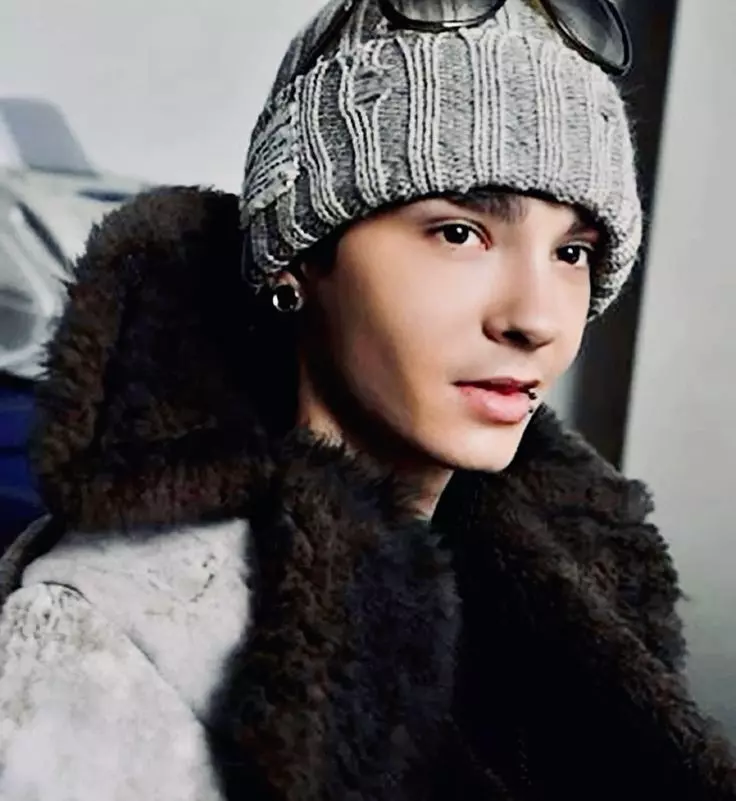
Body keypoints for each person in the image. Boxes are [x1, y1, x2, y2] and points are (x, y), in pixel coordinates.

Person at [0, 0, 734, 798]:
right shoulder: (106, 632)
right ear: (298, 259)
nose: (537, 318)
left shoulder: (576, 590)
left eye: (573, 251)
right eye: (460, 232)